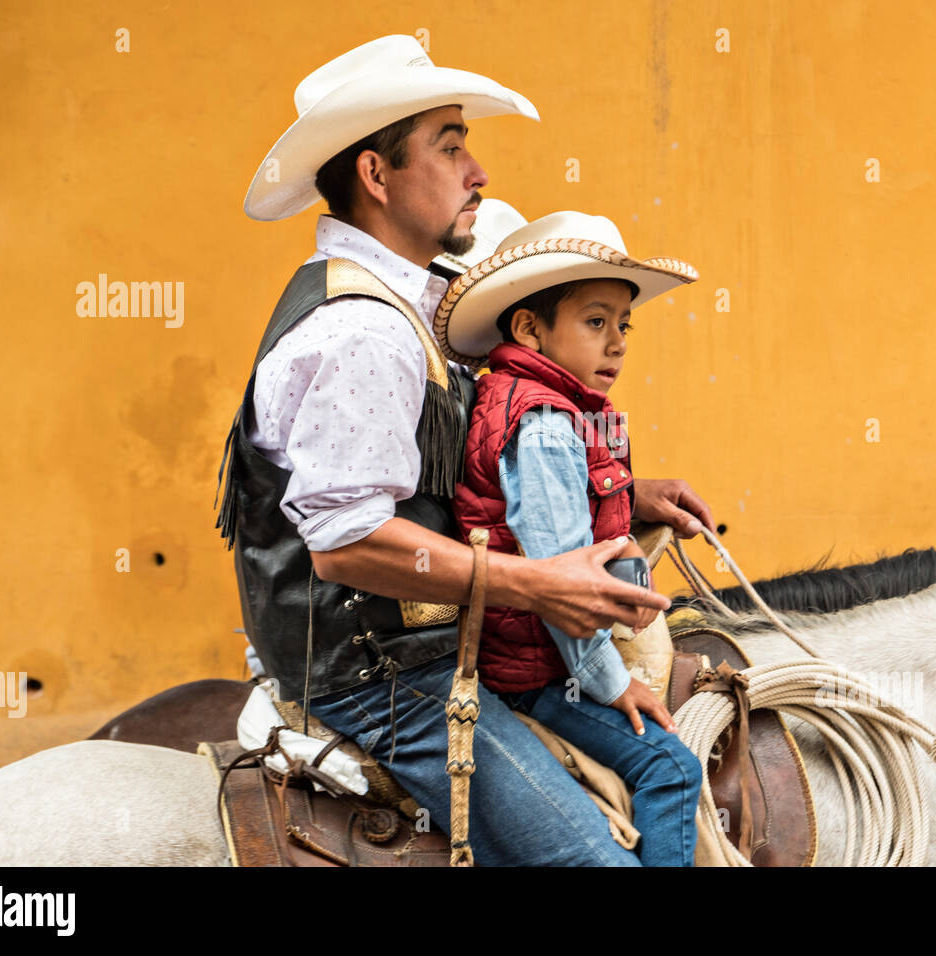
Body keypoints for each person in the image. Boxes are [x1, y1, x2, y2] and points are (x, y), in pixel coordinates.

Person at [215, 36, 716, 866]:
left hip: (417, 656)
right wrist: (539, 583)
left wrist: (625, 497)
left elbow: (439, 483)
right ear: (376, 176)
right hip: (385, 685)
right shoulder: (366, 330)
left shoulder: (397, 305)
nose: (477, 170)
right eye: (451, 147)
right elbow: (344, 542)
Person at [437, 210, 705, 865]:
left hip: (546, 653)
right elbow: (564, 583)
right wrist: (611, 686)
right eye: (595, 322)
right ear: (531, 328)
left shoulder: (537, 402)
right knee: (672, 769)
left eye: (623, 324)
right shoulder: (549, 426)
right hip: (542, 670)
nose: (616, 343)